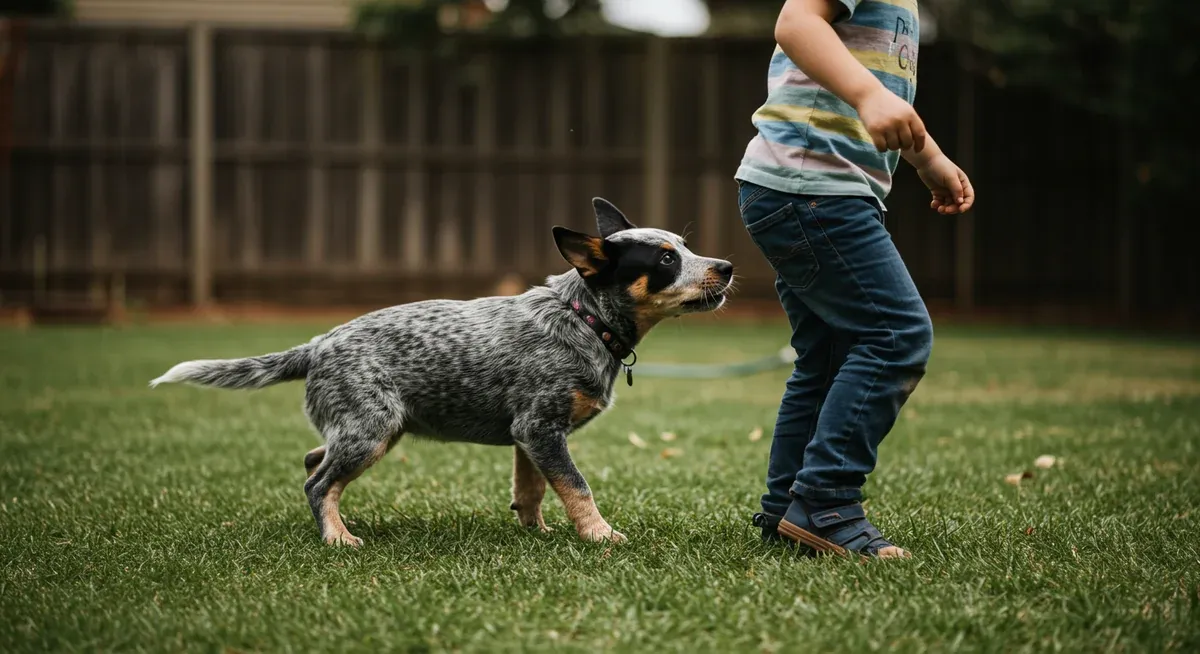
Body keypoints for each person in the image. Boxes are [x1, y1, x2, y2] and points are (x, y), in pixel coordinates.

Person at [735, 0, 975, 558]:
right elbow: (796, 23)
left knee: (829, 353)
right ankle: (826, 501)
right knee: (897, 334)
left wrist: (928, 160)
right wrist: (868, 95)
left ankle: (787, 506)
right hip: (812, 189)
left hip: (806, 189)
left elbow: (886, 88)